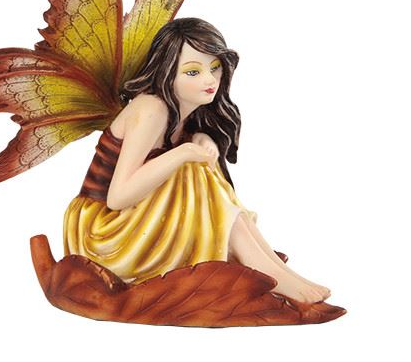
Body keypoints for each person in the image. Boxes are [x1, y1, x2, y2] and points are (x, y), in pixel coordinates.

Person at [64, 18, 330, 304]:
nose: (209, 80)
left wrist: (199, 138)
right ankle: (267, 270)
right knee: (191, 170)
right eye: (193, 71)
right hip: (102, 234)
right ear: (167, 72)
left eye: (215, 67)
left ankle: (273, 267)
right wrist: (184, 153)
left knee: (197, 166)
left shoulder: (181, 108)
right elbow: (118, 197)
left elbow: (173, 148)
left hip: (130, 225)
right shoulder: (152, 109)